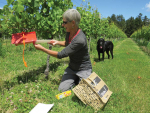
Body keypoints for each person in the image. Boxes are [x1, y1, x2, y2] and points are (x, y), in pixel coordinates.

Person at [34, 9, 92, 92]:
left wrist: (42, 49)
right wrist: (57, 42)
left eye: (65, 22)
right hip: (72, 68)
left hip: (83, 69)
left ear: (73, 23)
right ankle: (76, 80)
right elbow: (68, 43)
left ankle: (80, 79)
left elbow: (61, 55)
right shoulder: (69, 32)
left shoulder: (80, 39)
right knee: (62, 90)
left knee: (83, 91)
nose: (62, 25)